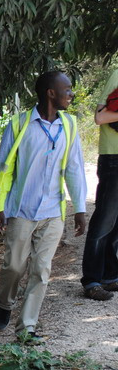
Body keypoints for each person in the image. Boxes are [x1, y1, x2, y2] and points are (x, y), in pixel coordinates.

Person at [0, 71, 87, 343]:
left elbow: (75, 168)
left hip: (53, 211)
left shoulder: (69, 125)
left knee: (41, 270)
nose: (71, 94)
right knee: (14, 267)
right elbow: (3, 168)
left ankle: (26, 329)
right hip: (21, 209)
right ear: (50, 93)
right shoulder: (20, 124)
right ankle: (5, 303)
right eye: (67, 89)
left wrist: (80, 207)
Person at [80, 68, 118, 301]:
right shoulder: (117, 74)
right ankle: (92, 280)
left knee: (116, 225)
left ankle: (110, 276)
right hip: (114, 158)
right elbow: (100, 117)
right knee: (104, 220)